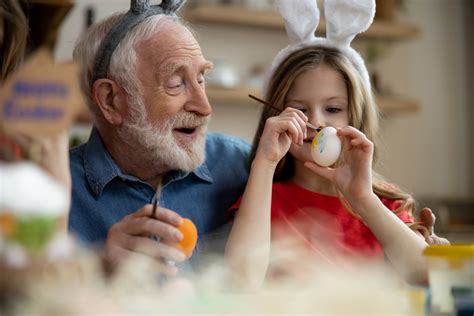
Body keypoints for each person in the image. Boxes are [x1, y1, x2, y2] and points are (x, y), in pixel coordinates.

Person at [228, 0, 447, 286]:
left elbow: (430, 278)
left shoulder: (382, 202)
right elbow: (240, 282)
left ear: (357, 118)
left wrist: (363, 198)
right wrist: (265, 164)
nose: (317, 122)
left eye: (333, 109)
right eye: (300, 109)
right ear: (275, 116)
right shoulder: (263, 198)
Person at [69, 0, 250, 276]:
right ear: (111, 100)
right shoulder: (49, 192)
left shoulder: (245, 167)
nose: (204, 107)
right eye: (176, 84)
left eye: (201, 79)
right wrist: (95, 269)